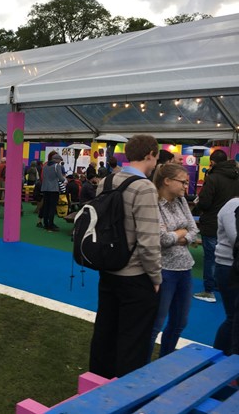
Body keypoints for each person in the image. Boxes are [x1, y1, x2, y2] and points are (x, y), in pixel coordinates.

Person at [89, 134, 162, 379]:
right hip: (134, 274)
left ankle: (97, 381)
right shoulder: (144, 187)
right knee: (134, 339)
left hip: (107, 267)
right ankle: (125, 393)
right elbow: (149, 241)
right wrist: (156, 277)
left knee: (105, 331)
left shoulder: (107, 181)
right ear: (151, 154)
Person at [149, 163, 198, 359]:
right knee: (156, 324)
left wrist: (180, 235)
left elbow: (194, 229)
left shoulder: (181, 201)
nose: (186, 186)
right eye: (183, 182)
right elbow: (162, 239)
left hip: (185, 268)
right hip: (164, 271)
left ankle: (164, 361)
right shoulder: (153, 204)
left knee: (180, 322)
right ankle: (140, 368)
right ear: (167, 181)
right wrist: (181, 233)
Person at [194, 149, 239, 303]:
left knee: (210, 258)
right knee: (228, 257)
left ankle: (208, 290)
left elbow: (205, 202)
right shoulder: (236, 176)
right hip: (233, 223)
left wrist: (198, 204)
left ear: (212, 162)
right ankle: (221, 286)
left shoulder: (213, 178)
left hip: (213, 223)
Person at [213, 197, 239, 356]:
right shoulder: (233, 205)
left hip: (232, 266)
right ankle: (217, 358)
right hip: (228, 267)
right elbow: (235, 239)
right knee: (233, 318)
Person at [40, 153, 65, 232]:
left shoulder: (45, 166)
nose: (59, 162)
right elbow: (61, 178)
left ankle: (45, 224)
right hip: (54, 189)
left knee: (46, 206)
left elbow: (43, 176)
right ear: (57, 160)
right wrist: (64, 179)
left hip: (45, 188)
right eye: (59, 161)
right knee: (52, 207)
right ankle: (51, 224)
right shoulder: (57, 166)